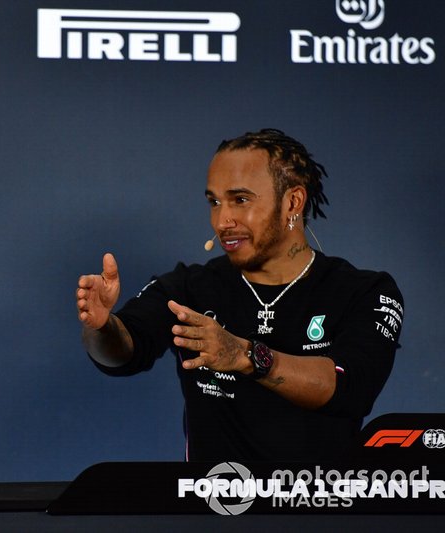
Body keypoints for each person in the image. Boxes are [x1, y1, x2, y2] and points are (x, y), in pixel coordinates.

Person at [76, 129, 403, 462]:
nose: (222, 221)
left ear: (293, 202)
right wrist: (102, 327)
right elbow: (123, 353)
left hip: (321, 508)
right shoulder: (188, 287)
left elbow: (351, 389)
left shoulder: (364, 291)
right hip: (215, 505)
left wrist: (246, 356)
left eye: (240, 200)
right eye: (214, 202)